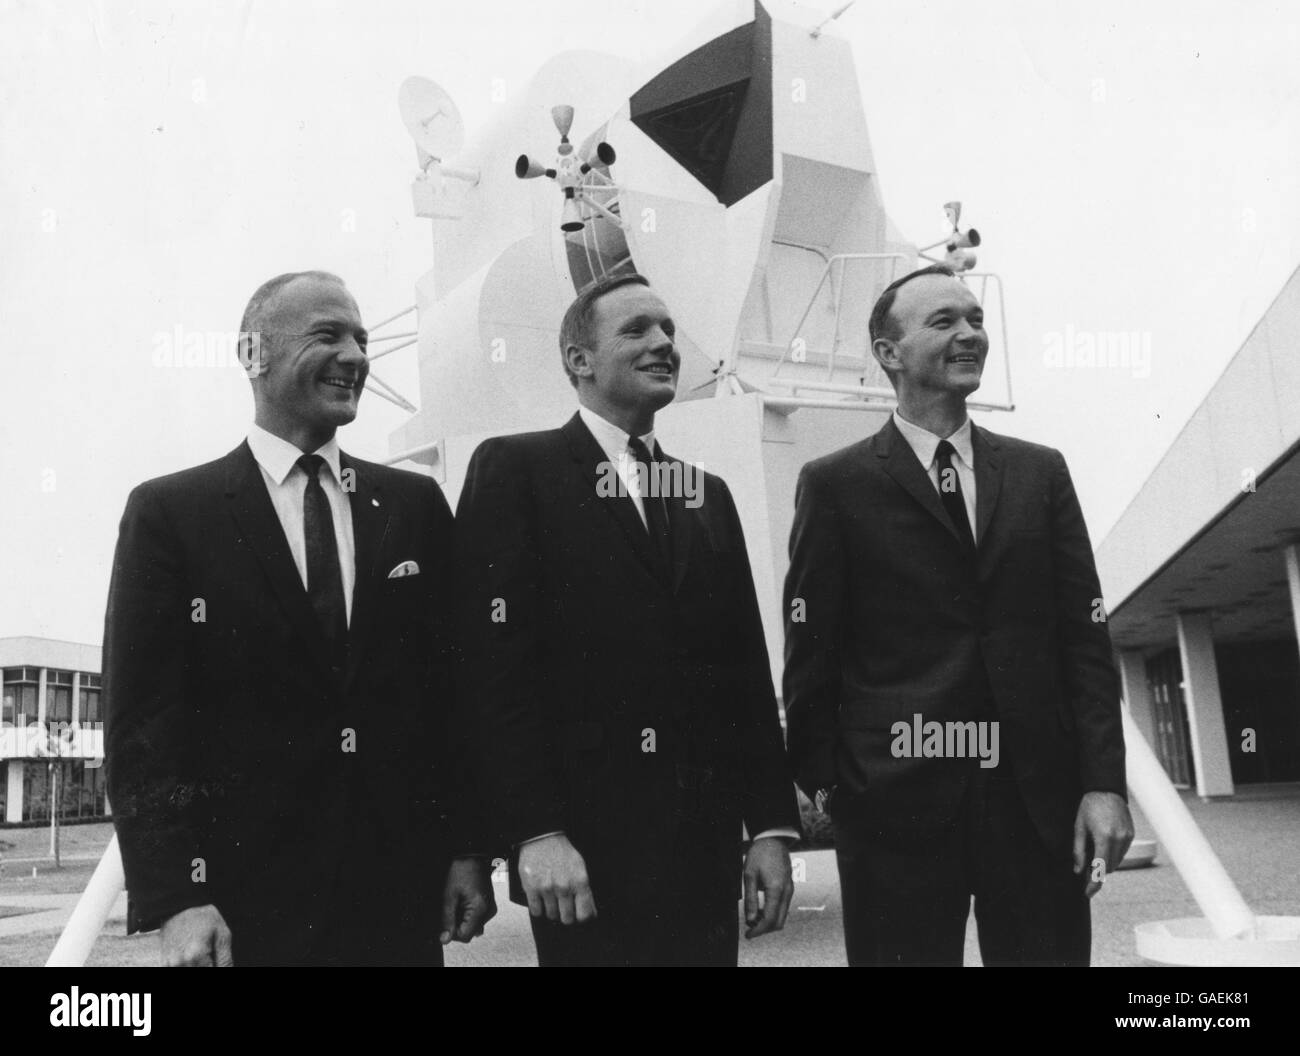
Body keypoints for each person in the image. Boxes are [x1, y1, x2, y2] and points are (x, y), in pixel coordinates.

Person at [103, 271, 494, 966]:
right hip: (244, 909)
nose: (356, 355)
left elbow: (454, 698)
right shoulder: (171, 515)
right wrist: (176, 898)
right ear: (254, 356)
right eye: (328, 334)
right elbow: (144, 725)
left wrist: (467, 850)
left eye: (363, 338)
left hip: (398, 901)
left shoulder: (414, 506)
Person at [783, 264, 1133, 966]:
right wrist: (835, 787)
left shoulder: (1041, 474)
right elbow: (811, 649)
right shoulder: (835, 485)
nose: (970, 333)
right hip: (893, 807)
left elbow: (1085, 641)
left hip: (1038, 808)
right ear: (889, 353)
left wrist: (1103, 784)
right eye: (944, 321)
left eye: (975, 318)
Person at [455, 272, 799, 966]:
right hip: (582, 862)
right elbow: (490, 670)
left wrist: (769, 827)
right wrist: (534, 831)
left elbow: (743, 673)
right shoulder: (517, 472)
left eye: (668, 329)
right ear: (579, 360)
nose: (664, 343)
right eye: (637, 329)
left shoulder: (706, 494)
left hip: (701, 857)